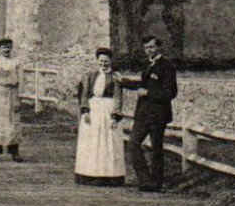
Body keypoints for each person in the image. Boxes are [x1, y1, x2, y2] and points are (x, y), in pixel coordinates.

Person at [121, 35, 177, 192]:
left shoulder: (167, 67)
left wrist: (148, 93)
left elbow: (170, 92)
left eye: (151, 47)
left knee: (156, 149)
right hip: (143, 114)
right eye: (146, 48)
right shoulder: (147, 65)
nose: (149, 50)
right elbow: (142, 84)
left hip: (158, 115)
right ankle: (145, 180)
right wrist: (123, 81)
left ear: (159, 47)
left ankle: (156, 183)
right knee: (133, 143)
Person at [73, 47, 126, 186]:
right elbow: (84, 94)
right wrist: (85, 111)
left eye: (106, 61)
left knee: (107, 142)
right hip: (93, 110)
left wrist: (115, 116)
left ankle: (108, 175)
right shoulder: (90, 75)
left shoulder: (115, 77)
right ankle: (89, 174)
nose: (104, 64)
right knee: (91, 142)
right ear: (97, 61)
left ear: (111, 61)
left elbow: (118, 97)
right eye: (101, 61)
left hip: (108, 110)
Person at [0, 38, 23, 162]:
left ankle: (14, 150)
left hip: (12, 93)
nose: (6, 50)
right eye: (3, 47)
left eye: (8, 47)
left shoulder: (17, 62)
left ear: (11, 48)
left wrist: (19, 98)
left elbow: (21, 81)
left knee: (13, 122)